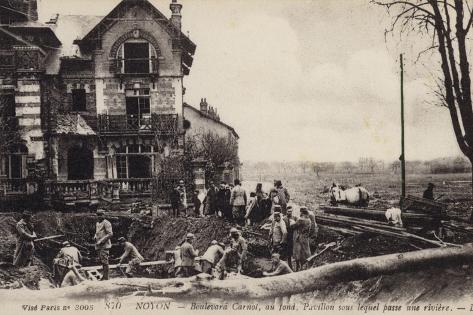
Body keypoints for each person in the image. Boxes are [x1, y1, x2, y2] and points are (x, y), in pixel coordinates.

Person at [94, 209, 113, 281]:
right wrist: (95, 236)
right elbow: (97, 232)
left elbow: (110, 234)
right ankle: (104, 276)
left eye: (101, 215)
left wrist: (101, 241)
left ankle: (106, 277)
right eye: (98, 215)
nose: (99, 217)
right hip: (99, 245)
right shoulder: (97, 223)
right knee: (102, 261)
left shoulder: (106, 223)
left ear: (103, 215)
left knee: (105, 261)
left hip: (104, 245)